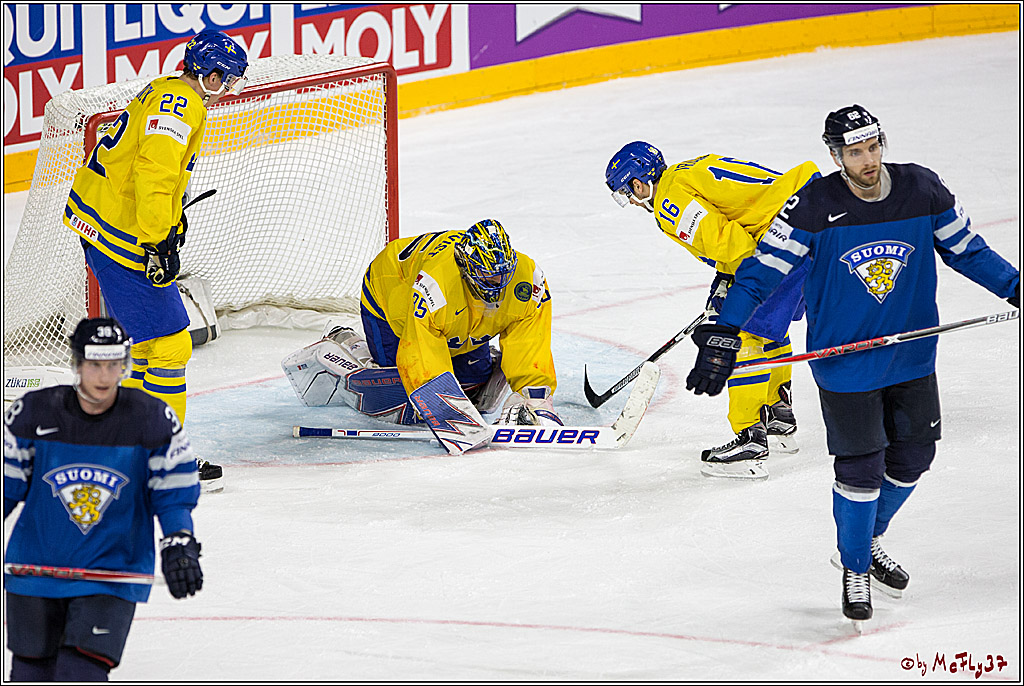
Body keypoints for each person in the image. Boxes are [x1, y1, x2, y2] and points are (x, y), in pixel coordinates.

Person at [683, 105, 1020, 624]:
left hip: (911, 357)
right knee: (861, 469)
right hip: (846, 365)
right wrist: (726, 330)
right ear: (836, 156)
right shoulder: (811, 206)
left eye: (873, 147)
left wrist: (1016, 288)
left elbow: (967, 251)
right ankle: (856, 564)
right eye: (854, 152)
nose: (868, 160)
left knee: (914, 458)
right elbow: (759, 273)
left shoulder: (923, 190)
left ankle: (865, 537)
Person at [61, 30, 249, 493]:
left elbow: (154, 172)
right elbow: (154, 173)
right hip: (122, 237)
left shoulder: (173, 93)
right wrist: (157, 240)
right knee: (168, 345)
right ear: (208, 73)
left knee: (151, 345)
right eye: (225, 79)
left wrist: (168, 224)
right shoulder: (182, 104)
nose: (227, 89)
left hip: (107, 226)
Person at [3, 317, 204, 681]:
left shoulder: (152, 420)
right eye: (95, 364)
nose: (104, 376)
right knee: (31, 675)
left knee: (78, 674)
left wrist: (180, 545)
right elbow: (6, 487)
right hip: (33, 572)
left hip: (111, 574)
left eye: (114, 365)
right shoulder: (32, 414)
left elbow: (173, 495)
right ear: (77, 364)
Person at [605, 142, 820, 479]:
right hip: (812, 215)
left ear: (638, 182)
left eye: (626, 192)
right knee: (768, 328)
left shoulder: (669, 202)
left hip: (786, 235)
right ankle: (778, 417)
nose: (631, 201)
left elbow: (734, 246)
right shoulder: (682, 173)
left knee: (742, 328)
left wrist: (735, 294)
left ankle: (750, 438)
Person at [283, 219, 562, 454]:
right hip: (390, 292)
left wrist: (536, 399)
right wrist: (447, 414)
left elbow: (530, 339)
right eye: (487, 278)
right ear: (466, 268)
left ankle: (472, 368)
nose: (497, 286)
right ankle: (345, 343)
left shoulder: (528, 278)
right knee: (396, 395)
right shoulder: (434, 286)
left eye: (502, 276)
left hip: (456, 322)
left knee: (475, 389)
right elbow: (419, 351)